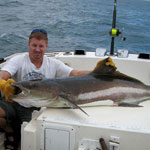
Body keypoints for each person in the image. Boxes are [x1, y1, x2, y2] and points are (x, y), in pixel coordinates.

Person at [0, 29, 89, 149]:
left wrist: (100, 72)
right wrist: (3, 84)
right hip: (16, 101)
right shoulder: (19, 60)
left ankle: (17, 137)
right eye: (34, 45)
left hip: (38, 107)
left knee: (27, 141)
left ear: (46, 46)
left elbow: (75, 73)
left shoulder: (53, 63)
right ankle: (9, 129)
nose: (37, 49)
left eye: (41, 46)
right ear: (28, 45)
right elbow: (3, 74)